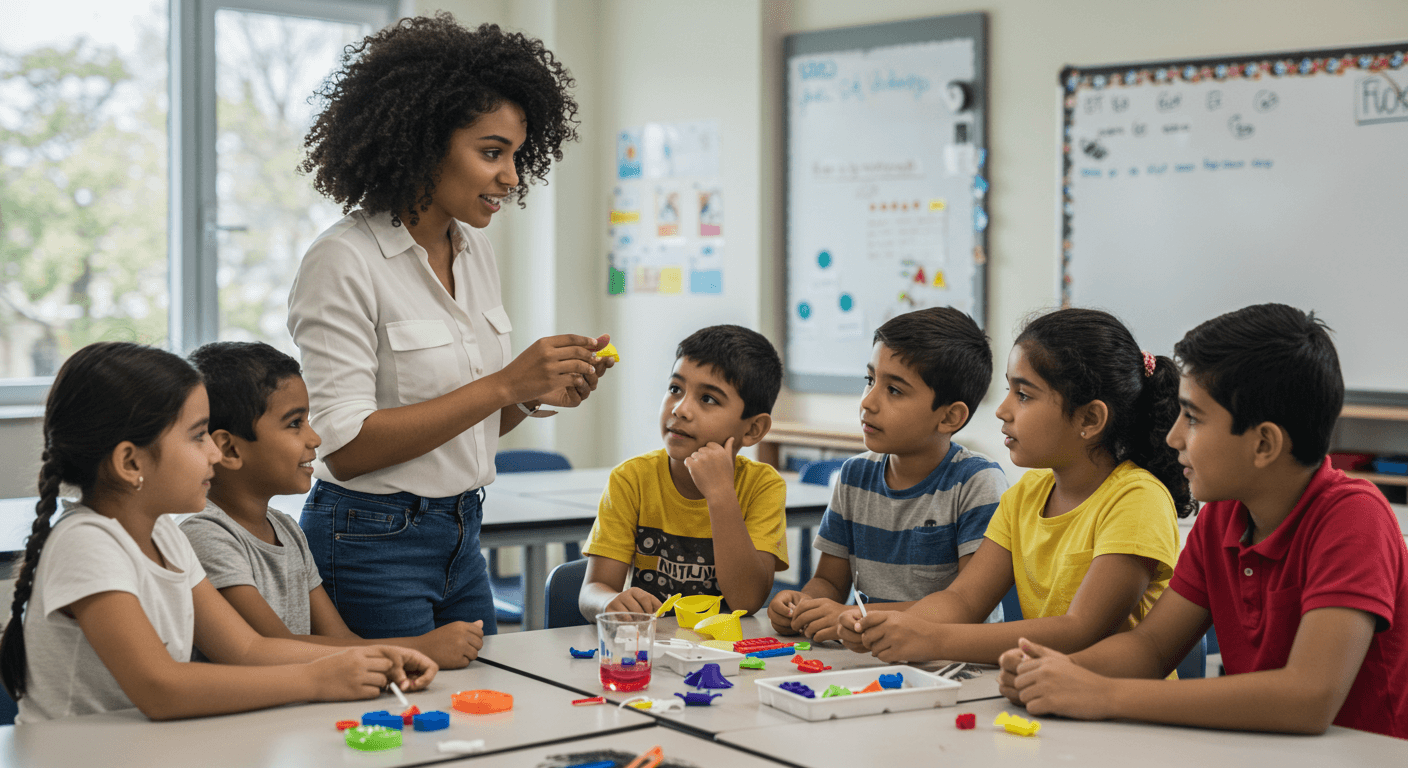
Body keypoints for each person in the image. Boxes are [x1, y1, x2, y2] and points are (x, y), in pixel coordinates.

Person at [291, 14, 611, 639]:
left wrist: (532, 394)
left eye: (516, 155)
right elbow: (345, 449)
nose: (511, 176)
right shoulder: (343, 260)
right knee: (404, 703)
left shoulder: (474, 251)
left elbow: (470, 428)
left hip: (463, 534)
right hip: (369, 539)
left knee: (480, 698)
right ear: (422, 142)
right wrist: (505, 383)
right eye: (492, 153)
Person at [998, 304, 1408, 738]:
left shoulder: (1354, 517)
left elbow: (1308, 697)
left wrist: (1103, 694)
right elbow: (1151, 648)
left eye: (1192, 418)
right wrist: (1051, 671)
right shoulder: (1223, 517)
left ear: (1263, 444)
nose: (1173, 436)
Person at [0, 342, 436, 723]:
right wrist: (316, 679)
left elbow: (247, 649)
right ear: (131, 463)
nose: (213, 453)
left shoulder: (165, 537)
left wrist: (368, 657)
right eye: (197, 437)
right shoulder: (85, 543)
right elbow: (160, 689)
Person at [838, 308, 1193, 663]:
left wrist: (933, 640)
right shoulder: (1025, 494)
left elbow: (1080, 630)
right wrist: (884, 624)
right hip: (1043, 687)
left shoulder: (1137, 499)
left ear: (1089, 418)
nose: (1002, 410)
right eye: (1009, 389)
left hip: (1116, 697)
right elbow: (963, 600)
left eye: (1023, 395)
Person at [180, 342, 483, 669]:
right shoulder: (207, 535)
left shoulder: (286, 530)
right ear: (230, 449)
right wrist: (419, 648)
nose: (315, 439)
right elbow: (272, 649)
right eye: (295, 423)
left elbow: (341, 639)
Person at [767, 308, 1008, 642]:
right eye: (870, 380)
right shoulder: (854, 476)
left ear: (949, 417)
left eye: (894, 390)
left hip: (953, 661)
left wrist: (860, 617)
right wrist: (804, 606)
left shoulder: (976, 482)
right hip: (873, 653)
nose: (868, 402)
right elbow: (830, 582)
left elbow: (964, 606)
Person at [579, 325, 787, 619]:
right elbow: (593, 589)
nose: (680, 409)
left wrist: (720, 494)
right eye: (675, 389)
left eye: (708, 399)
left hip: (728, 645)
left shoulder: (762, 486)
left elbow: (747, 600)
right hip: (651, 641)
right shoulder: (631, 479)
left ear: (753, 429)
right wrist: (607, 602)